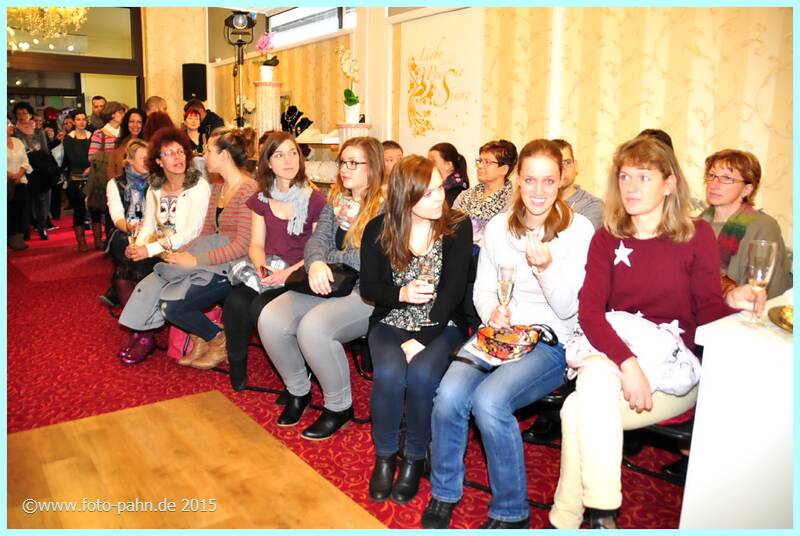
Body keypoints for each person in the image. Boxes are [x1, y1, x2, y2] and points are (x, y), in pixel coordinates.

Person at [548, 135, 763, 529]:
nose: (631, 186)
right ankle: (601, 514)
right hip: (616, 359)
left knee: (575, 409)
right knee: (592, 383)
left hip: (671, 369)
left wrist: (733, 301)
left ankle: (570, 519)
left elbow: (708, 313)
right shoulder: (607, 237)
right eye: (625, 176)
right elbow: (591, 314)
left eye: (644, 177)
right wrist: (629, 365)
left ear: (669, 183)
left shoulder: (696, 236)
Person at [422, 139, 595, 529]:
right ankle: (444, 492)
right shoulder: (500, 227)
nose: (538, 191)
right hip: (501, 332)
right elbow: (483, 290)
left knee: (489, 402)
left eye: (548, 181)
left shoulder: (578, 230)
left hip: (551, 339)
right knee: (448, 395)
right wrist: (492, 313)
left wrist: (546, 269)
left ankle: (511, 511)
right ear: (518, 179)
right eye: (530, 180)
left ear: (561, 180)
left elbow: (569, 309)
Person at [360, 154, 472, 505]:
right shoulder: (379, 229)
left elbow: (453, 293)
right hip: (392, 319)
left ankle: (413, 457)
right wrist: (402, 294)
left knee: (422, 375)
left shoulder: (457, 225)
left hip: (442, 322)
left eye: (440, 188)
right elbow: (369, 288)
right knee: (389, 374)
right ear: (406, 197)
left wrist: (421, 338)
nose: (440, 198)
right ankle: (384, 457)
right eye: (429, 194)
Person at [256, 136, 384, 437]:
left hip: (367, 292)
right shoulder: (337, 199)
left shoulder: (386, 206)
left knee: (313, 328)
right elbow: (317, 240)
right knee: (270, 318)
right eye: (342, 162)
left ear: (373, 167)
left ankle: (339, 407)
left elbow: (368, 259)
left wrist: (325, 259)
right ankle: (298, 391)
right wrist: (314, 262)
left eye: (353, 163)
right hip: (332, 281)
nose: (344, 169)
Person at [223, 132, 329, 390]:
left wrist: (286, 273)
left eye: (293, 153)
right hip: (270, 266)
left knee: (261, 307)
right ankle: (237, 364)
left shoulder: (315, 199)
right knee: (235, 302)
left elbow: (320, 249)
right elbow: (256, 244)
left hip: (302, 271)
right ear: (268, 163)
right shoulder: (262, 198)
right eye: (279, 155)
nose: (288, 160)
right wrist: (262, 268)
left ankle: (298, 376)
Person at [115, 127, 211, 364]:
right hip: (160, 248)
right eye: (169, 153)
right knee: (124, 272)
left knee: (146, 272)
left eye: (180, 151)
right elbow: (148, 225)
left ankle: (146, 336)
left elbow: (192, 231)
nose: (177, 157)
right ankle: (139, 330)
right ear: (158, 160)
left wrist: (150, 249)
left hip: (187, 251)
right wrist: (137, 247)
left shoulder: (198, 186)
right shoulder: (155, 188)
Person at [699, 149, 791, 299]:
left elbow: (767, 292)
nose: (713, 185)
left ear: (747, 189)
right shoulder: (697, 223)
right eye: (711, 175)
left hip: (740, 311)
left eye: (726, 178)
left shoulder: (764, 226)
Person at [101, 139, 156, 308]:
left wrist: (147, 228)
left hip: (152, 228)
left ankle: (119, 285)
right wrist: (131, 228)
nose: (147, 162)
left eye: (149, 159)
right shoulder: (115, 184)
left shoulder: (156, 182)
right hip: (125, 228)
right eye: (142, 158)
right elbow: (117, 216)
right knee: (126, 242)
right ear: (130, 160)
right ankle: (135, 291)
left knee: (145, 244)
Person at [453, 139, 517, 244]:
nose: (479, 166)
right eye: (480, 161)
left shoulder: (513, 203)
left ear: (504, 169)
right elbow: (450, 227)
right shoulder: (465, 195)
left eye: (487, 162)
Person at [86, 100, 128, 249]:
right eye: (121, 112)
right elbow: (91, 156)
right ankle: (110, 243)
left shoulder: (125, 133)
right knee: (108, 210)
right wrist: (111, 158)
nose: (124, 115)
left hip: (124, 177)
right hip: (106, 177)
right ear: (112, 114)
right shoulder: (100, 133)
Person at [13, 101, 54, 241]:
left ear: (30, 115)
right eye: (18, 113)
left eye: (24, 113)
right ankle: (25, 229)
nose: (21, 116)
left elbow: (45, 150)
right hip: (23, 169)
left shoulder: (38, 131)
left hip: (40, 169)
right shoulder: (14, 131)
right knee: (25, 201)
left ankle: (42, 228)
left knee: (42, 199)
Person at [551, 138, 604, 230]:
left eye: (567, 162)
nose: (562, 169)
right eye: (556, 163)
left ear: (575, 166)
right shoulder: (538, 201)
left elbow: (579, 237)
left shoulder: (592, 204)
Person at [61, 110, 93, 252]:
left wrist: (91, 167)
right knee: (79, 210)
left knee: (95, 208)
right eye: (78, 119)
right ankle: (81, 241)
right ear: (73, 122)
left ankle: (98, 240)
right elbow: (73, 159)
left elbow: (96, 155)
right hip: (75, 177)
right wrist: (86, 167)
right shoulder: (68, 138)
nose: (81, 122)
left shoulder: (92, 136)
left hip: (92, 175)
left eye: (83, 119)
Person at [7, 119, 33, 251]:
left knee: (20, 211)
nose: (11, 126)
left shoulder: (17, 142)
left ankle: (17, 238)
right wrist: (9, 175)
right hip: (6, 183)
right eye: (7, 124)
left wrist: (18, 174)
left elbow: (25, 161)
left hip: (20, 181)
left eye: (10, 123)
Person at [108, 108, 147, 179]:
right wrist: (115, 184)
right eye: (132, 121)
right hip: (120, 183)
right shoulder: (119, 143)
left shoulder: (149, 144)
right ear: (126, 123)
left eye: (139, 122)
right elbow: (111, 168)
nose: (135, 125)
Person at [428, 142, 469, 207]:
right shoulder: (435, 186)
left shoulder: (457, 190)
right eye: (427, 161)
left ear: (448, 165)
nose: (427, 164)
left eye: (433, 161)